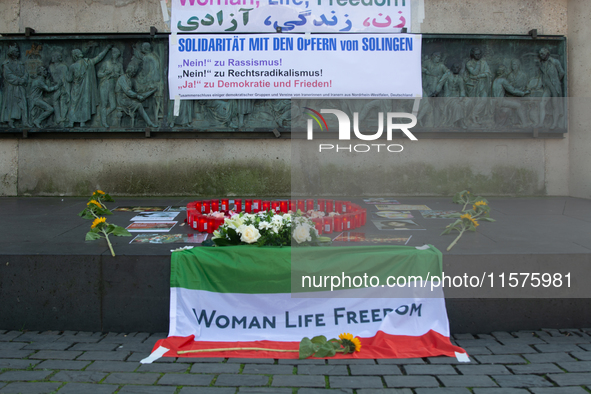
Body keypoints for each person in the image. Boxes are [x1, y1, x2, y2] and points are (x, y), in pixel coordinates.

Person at [66, 45, 112, 127]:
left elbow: (69, 79)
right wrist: (106, 48)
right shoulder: (88, 63)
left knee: (74, 105)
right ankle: (82, 122)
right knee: (84, 104)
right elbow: (99, 57)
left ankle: (71, 122)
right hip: (85, 89)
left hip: (76, 89)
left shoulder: (72, 66)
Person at [114, 61, 158, 128]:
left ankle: (149, 122)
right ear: (129, 70)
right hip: (122, 99)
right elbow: (128, 91)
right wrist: (137, 96)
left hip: (128, 98)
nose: (133, 73)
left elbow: (139, 89)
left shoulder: (131, 80)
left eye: (134, 72)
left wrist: (150, 88)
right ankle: (149, 123)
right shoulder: (122, 78)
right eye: (133, 71)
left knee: (142, 99)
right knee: (139, 105)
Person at [536, 47, 565, 129]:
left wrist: (556, 81)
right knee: (542, 104)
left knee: (555, 105)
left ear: (547, 54)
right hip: (547, 87)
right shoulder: (541, 63)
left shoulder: (555, 62)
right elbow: (542, 75)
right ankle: (541, 123)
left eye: (542, 54)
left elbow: (562, 73)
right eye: (540, 54)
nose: (541, 55)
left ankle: (555, 124)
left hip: (555, 87)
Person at [1, 45, 29, 128]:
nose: (18, 53)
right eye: (16, 52)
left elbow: (26, 73)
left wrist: (24, 79)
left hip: (20, 87)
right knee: (11, 104)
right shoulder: (6, 63)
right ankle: (10, 121)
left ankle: (25, 122)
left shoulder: (20, 63)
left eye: (18, 52)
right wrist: (20, 80)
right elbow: (8, 76)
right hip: (11, 88)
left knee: (23, 104)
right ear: (12, 53)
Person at [464, 47, 492, 124]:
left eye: (479, 54)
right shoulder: (469, 63)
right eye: (476, 54)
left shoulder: (484, 62)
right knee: (474, 101)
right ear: (473, 54)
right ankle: (473, 118)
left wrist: (478, 76)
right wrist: (478, 65)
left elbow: (488, 73)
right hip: (472, 86)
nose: (478, 56)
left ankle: (474, 115)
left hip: (482, 85)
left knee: (484, 99)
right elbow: (474, 72)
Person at [97, 47, 123, 128]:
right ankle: (104, 122)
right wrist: (106, 73)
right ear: (112, 54)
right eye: (113, 53)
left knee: (113, 106)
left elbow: (122, 76)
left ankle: (102, 116)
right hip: (104, 84)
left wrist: (117, 75)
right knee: (104, 104)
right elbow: (99, 74)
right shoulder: (106, 63)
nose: (114, 55)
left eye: (116, 54)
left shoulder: (119, 65)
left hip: (113, 86)